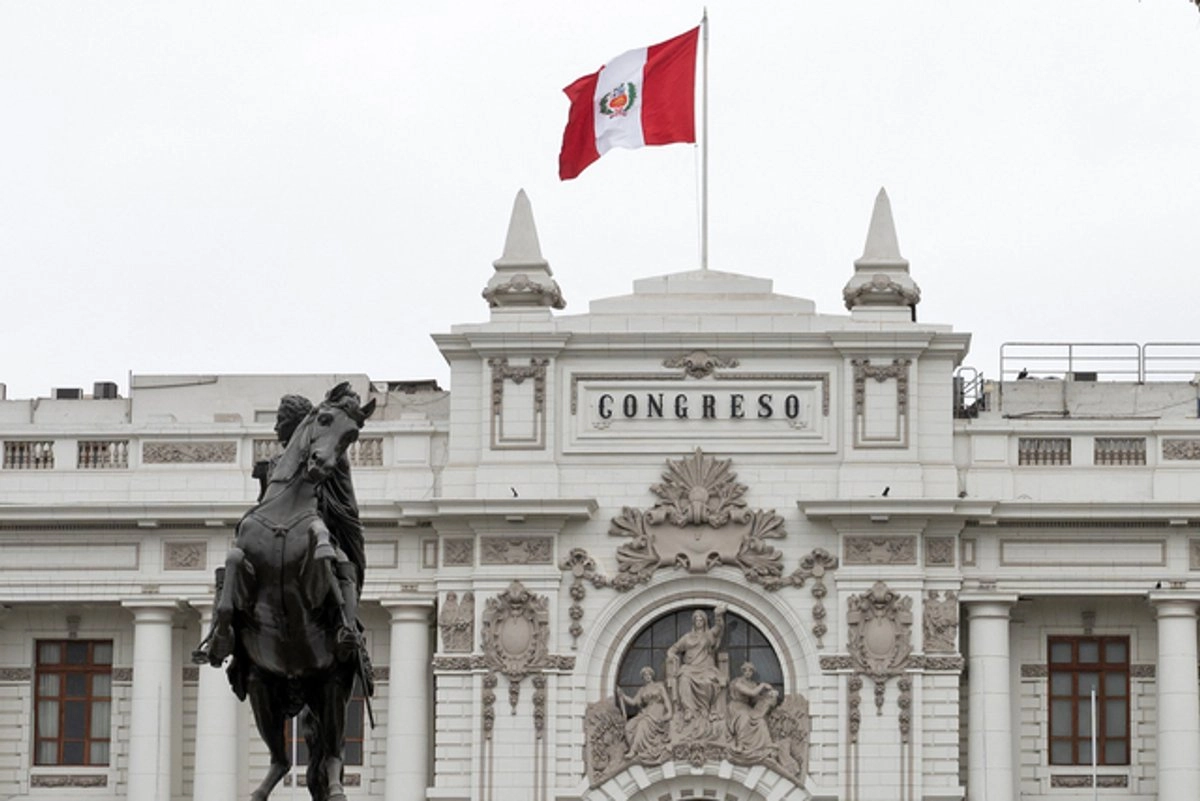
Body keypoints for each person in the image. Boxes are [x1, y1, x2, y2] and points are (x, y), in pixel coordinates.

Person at [666, 605, 727, 739]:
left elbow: (719, 628)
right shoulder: (687, 637)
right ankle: (689, 710)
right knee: (684, 679)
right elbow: (673, 649)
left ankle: (706, 710)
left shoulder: (709, 634)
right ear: (693, 622)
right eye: (696, 619)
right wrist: (671, 655)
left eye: (701, 619)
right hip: (690, 668)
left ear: (704, 621)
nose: (699, 621)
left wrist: (718, 615)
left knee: (708, 682)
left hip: (706, 668)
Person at [619, 666, 673, 763]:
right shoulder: (642, 690)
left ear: (652, 675)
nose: (647, 676)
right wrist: (623, 695)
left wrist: (667, 715)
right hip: (645, 712)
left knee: (642, 724)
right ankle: (636, 747)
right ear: (643, 678)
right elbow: (633, 702)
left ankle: (633, 750)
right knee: (629, 727)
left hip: (656, 712)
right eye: (645, 675)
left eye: (648, 674)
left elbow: (667, 703)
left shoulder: (659, 686)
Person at [727, 661, 779, 760]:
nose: (748, 672)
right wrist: (763, 685)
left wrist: (769, 695)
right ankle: (741, 744)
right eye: (746, 670)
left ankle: (768, 744)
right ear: (742, 671)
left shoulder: (752, 684)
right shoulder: (738, 682)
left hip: (746, 707)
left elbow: (756, 699)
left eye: (750, 671)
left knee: (760, 720)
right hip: (736, 706)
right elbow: (752, 693)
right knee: (744, 717)